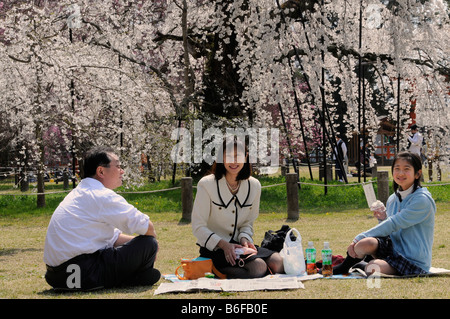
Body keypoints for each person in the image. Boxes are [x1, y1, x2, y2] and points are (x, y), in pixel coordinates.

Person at [44, 146, 160, 291]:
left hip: (57, 277)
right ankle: (134, 277)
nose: (122, 171)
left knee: (145, 244)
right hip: (84, 273)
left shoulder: (79, 193)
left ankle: (134, 276)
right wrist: (151, 246)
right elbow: (146, 226)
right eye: (117, 166)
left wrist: (137, 245)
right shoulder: (101, 194)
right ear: (101, 171)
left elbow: (113, 238)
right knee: (149, 243)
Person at [191, 138, 284, 278]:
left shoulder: (254, 185)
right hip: (215, 248)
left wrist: (245, 240)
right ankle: (215, 270)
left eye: (238, 156)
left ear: (245, 157)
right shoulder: (206, 184)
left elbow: (247, 223)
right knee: (258, 267)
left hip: (241, 248)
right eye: (228, 156)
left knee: (278, 263)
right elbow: (198, 227)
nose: (233, 161)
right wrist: (224, 245)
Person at [333, 151, 436, 276]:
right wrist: (383, 218)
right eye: (397, 169)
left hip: (413, 261)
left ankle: (362, 263)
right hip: (392, 252)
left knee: (372, 267)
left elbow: (393, 224)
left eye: (406, 169)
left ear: (417, 174)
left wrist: (358, 237)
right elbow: (390, 231)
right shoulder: (393, 198)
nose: (401, 173)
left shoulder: (422, 200)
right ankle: (346, 265)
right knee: (364, 244)